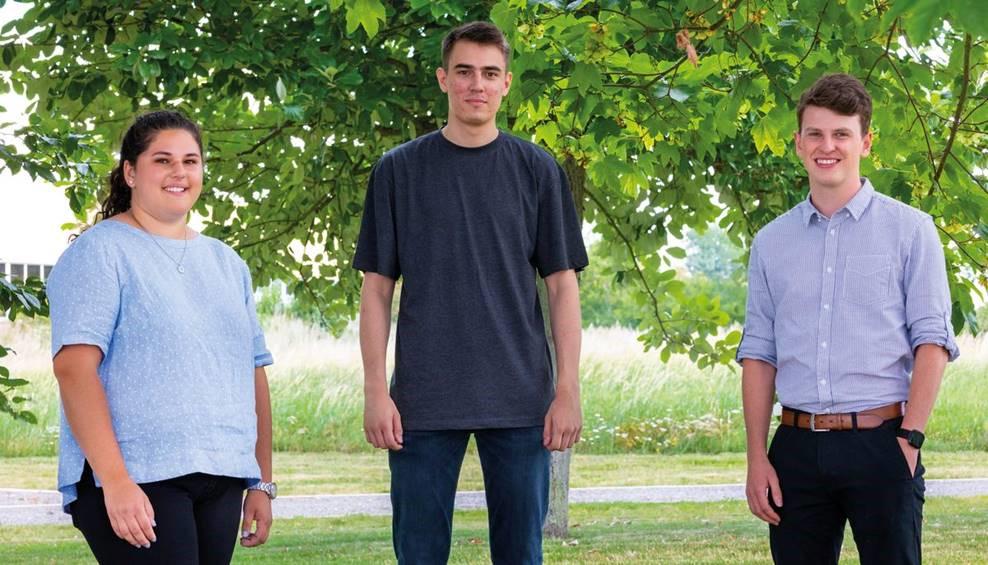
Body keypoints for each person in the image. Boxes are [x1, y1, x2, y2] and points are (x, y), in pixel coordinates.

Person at [353, 21, 588, 565]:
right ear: (443, 79)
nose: (475, 85)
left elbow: (562, 286)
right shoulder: (398, 171)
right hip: (422, 399)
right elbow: (376, 291)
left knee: (520, 553)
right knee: (418, 552)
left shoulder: (537, 170)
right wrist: (374, 389)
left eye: (489, 73)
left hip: (521, 397)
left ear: (506, 83)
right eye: (464, 72)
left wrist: (567, 387)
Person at [737, 73, 960, 564]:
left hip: (883, 444)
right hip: (794, 447)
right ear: (797, 143)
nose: (827, 146)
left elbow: (932, 342)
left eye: (841, 134)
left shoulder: (911, 231)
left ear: (865, 141)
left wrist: (911, 439)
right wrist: (757, 457)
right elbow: (758, 353)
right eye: (815, 134)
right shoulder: (771, 242)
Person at [47, 110, 277, 564]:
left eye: (191, 161)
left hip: (222, 473)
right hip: (137, 473)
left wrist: (261, 481)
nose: (180, 173)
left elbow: (251, 373)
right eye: (163, 160)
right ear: (131, 172)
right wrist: (114, 480)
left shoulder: (227, 263)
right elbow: (73, 369)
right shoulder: (100, 252)